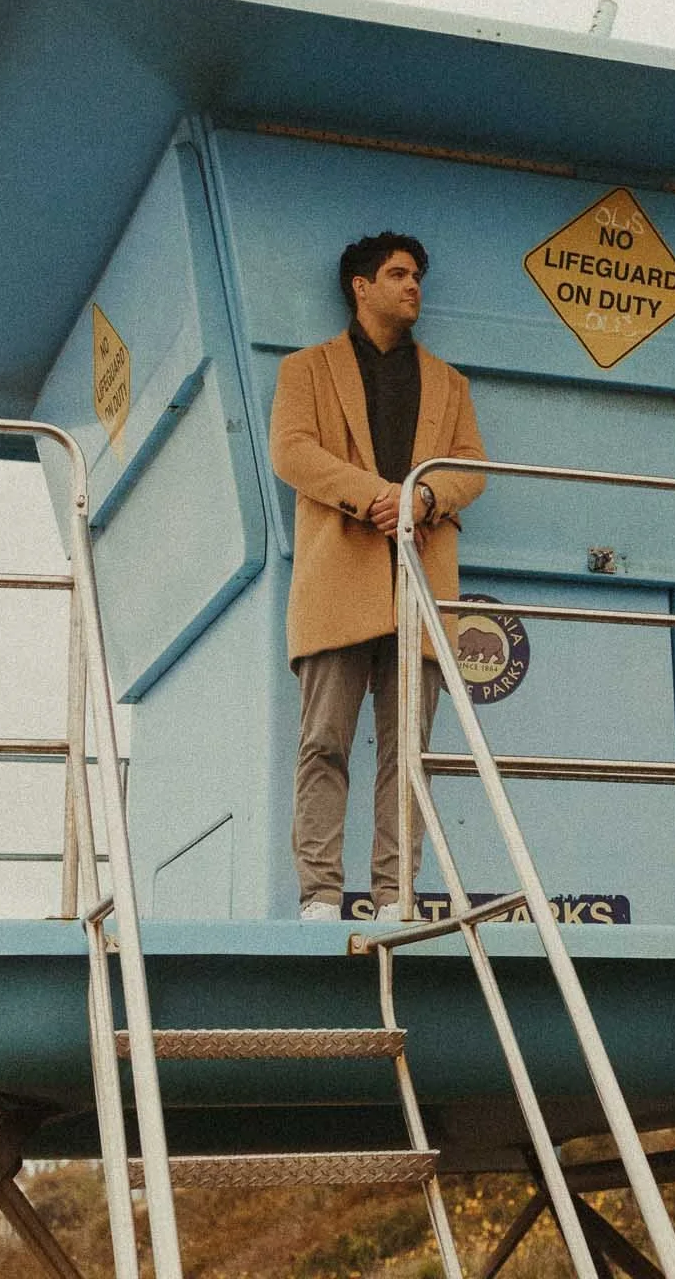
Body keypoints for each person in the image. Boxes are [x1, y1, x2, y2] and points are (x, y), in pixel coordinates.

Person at [270, 232, 486, 921]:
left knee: (408, 755)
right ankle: (320, 895)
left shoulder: (449, 383)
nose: (413, 285)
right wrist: (377, 495)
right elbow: (292, 452)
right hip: (337, 582)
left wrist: (422, 497)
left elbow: (472, 467)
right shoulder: (305, 370)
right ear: (360, 287)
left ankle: (397, 895)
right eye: (398, 274)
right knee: (323, 743)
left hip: (418, 586)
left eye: (417, 274)